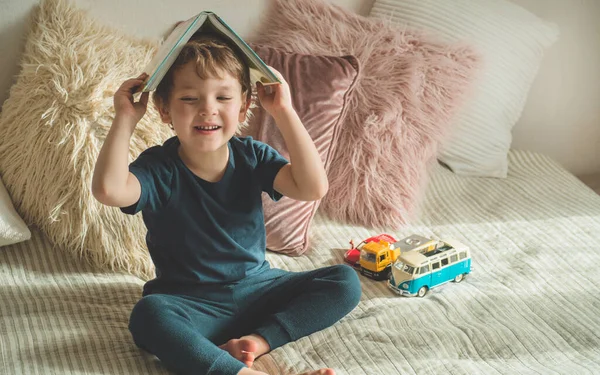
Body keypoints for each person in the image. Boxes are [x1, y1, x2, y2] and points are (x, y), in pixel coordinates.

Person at [91, 33, 362, 375]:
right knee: (148, 316)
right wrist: (126, 118)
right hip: (192, 303)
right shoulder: (158, 166)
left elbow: (312, 187)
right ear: (164, 109)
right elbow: (108, 190)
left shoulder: (252, 156)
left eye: (223, 97)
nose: (208, 108)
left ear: (245, 106)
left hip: (258, 289)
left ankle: (255, 343)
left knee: (344, 281)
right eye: (189, 98)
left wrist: (283, 111)